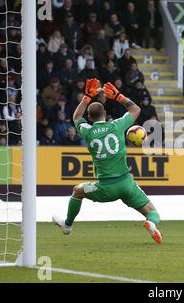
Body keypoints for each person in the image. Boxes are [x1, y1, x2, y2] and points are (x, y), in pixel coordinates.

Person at [52, 79, 162, 244]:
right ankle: (151, 223)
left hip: (106, 188)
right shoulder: (117, 126)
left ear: (90, 117)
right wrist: (118, 96)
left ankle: (67, 225)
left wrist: (87, 97)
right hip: (126, 184)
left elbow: (76, 117)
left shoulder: (87, 131)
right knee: (153, 212)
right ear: (104, 113)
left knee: (77, 190)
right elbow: (135, 109)